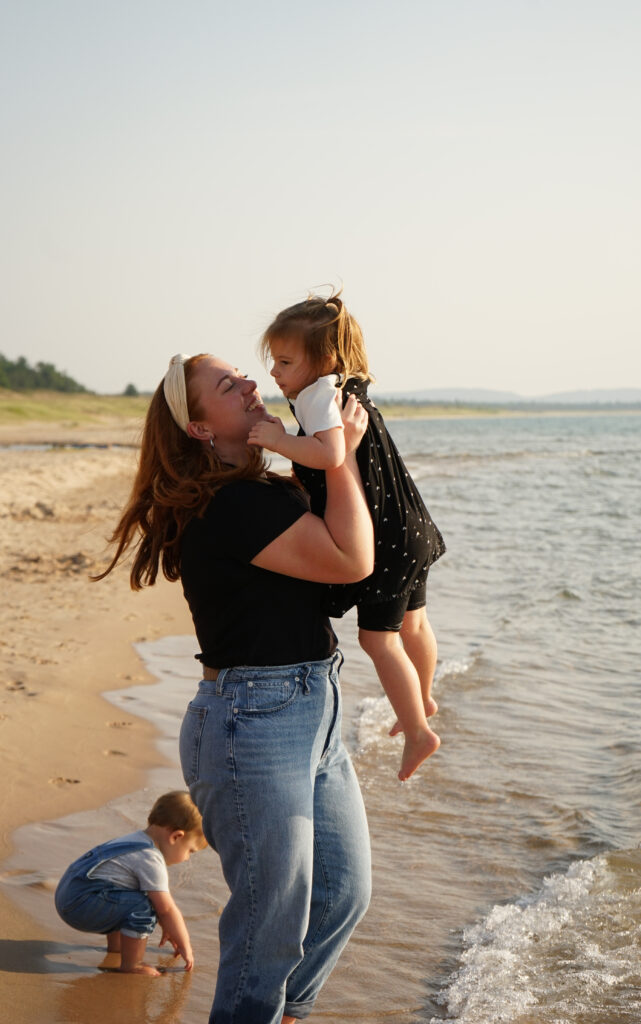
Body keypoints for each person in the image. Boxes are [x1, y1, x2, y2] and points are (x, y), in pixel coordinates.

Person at [94, 353, 374, 1024]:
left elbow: (347, 559)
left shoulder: (260, 490)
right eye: (228, 386)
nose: (249, 383)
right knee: (270, 919)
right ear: (199, 428)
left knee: (341, 892)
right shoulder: (231, 504)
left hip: (314, 706)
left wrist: (330, 443)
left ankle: (282, 1014)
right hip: (253, 719)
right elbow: (351, 560)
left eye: (243, 375)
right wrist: (338, 458)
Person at [249, 292, 446, 782]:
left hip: (383, 537)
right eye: (275, 360)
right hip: (410, 524)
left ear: (326, 359)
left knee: (378, 639)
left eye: (286, 362)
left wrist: (279, 441)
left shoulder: (317, 396)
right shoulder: (350, 386)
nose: (275, 371)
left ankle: (418, 731)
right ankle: (421, 698)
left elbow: (331, 455)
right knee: (415, 623)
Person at [54, 790, 206, 976]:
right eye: (190, 851)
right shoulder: (150, 858)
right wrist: (185, 944)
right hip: (80, 905)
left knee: (126, 895)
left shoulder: (136, 840)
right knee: (143, 905)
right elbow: (166, 909)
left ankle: (116, 949)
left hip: (69, 894)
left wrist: (167, 926)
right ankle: (132, 964)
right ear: (176, 837)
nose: (187, 858)